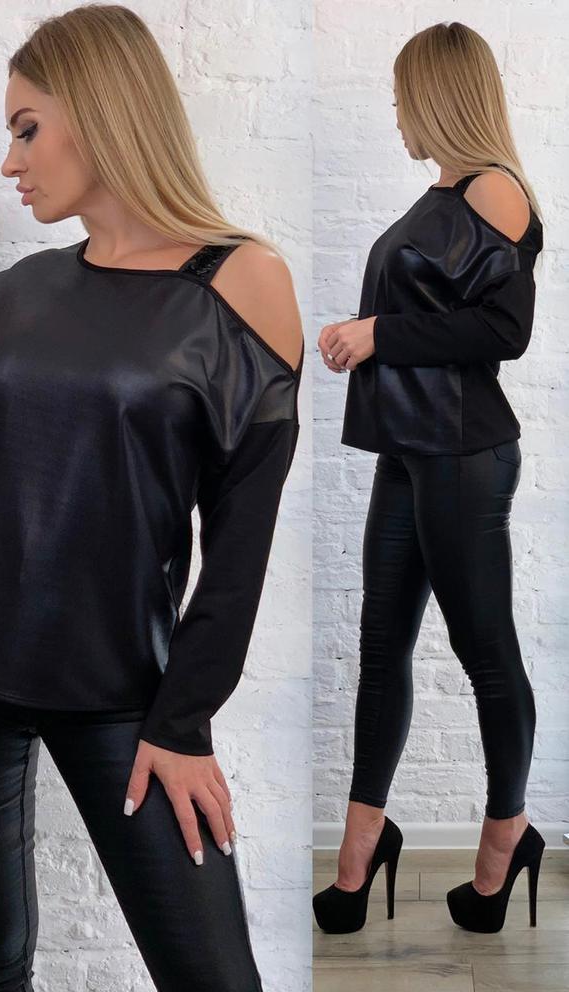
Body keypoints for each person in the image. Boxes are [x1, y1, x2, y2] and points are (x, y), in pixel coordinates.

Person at [0, 6, 303, 990]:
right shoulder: (16, 290)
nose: (9, 161)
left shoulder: (242, 282)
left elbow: (240, 544)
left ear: (103, 110)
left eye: (26, 128)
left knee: (214, 975)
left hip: (125, 694)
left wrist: (183, 720)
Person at [312, 21, 545, 936]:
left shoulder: (494, 188)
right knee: (380, 649)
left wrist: (378, 334)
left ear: (440, 96)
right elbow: (436, 311)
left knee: (485, 653)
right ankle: (360, 854)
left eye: (404, 94)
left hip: (461, 454)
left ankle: (504, 843)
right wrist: (363, 336)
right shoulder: (442, 192)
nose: (396, 110)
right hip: (410, 451)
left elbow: (503, 332)